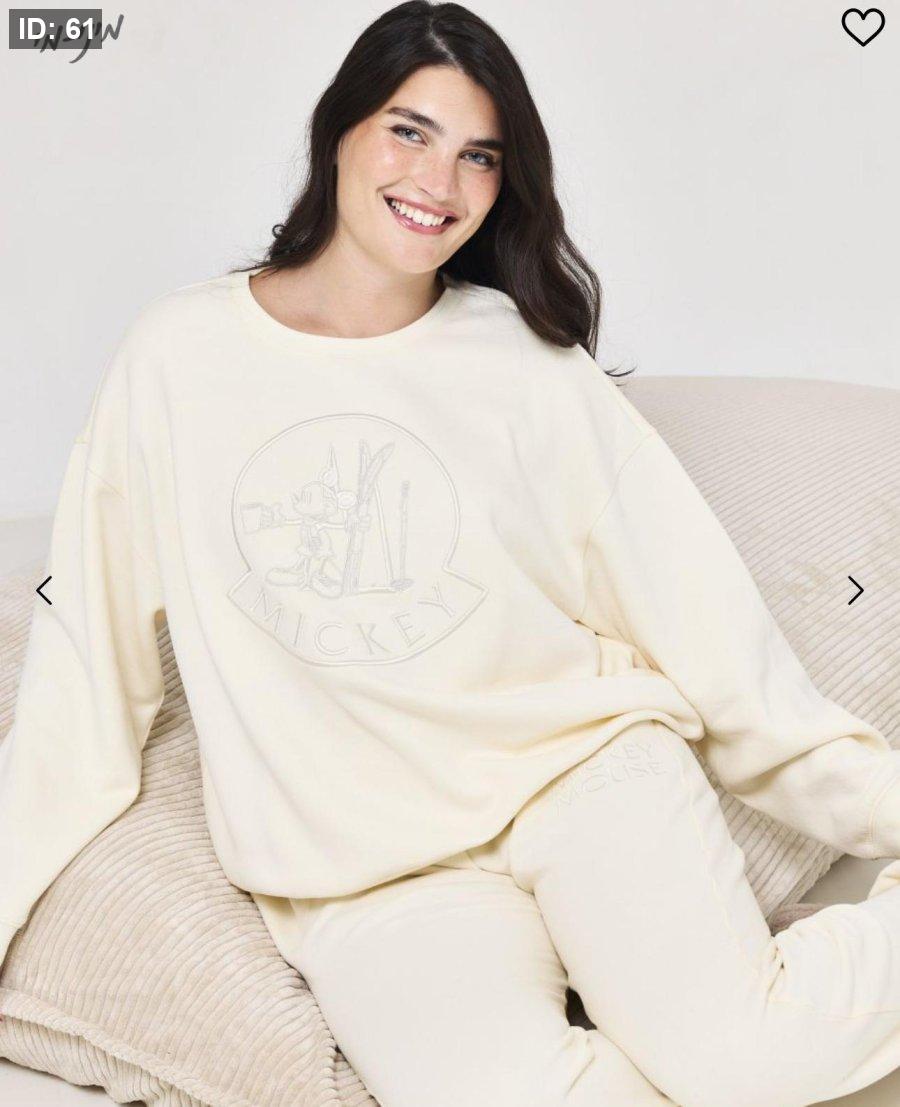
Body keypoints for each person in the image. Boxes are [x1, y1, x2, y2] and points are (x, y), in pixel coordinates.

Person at [3, 3, 900, 1105]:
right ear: (339, 131)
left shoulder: (527, 362)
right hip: (373, 877)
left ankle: (736, 997)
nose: (440, 180)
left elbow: (708, 631)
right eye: (408, 131)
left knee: (740, 1060)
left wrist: (879, 802)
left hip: (582, 778)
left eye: (480, 154)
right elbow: (85, 683)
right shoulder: (178, 360)